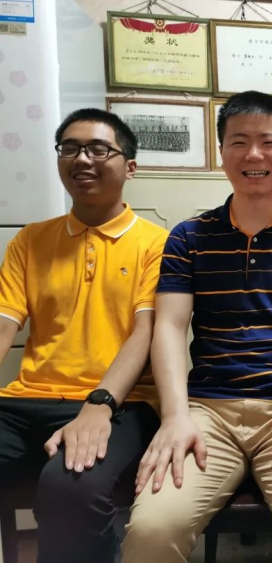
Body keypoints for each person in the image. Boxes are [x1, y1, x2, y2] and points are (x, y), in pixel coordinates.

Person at [121, 90, 272, 563]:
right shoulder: (189, 236)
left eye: (268, 141)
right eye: (239, 142)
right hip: (207, 411)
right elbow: (169, 328)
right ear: (222, 152)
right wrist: (175, 416)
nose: (254, 155)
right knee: (152, 528)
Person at [0, 109, 166, 563]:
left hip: (122, 404)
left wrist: (100, 403)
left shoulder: (158, 244)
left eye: (98, 149)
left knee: (71, 487)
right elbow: (5, 323)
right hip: (26, 399)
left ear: (130, 167)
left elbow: (146, 333)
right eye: (70, 148)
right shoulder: (30, 241)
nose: (82, 159)